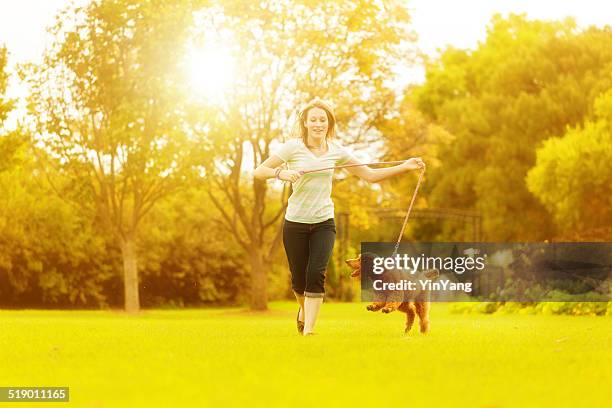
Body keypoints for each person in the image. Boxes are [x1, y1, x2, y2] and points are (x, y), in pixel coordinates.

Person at [253, 98, 425, 336]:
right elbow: (259, 171)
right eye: (313, 119)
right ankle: (303, 311)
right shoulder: (292, 147)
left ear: (329, 123)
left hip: (324, 222)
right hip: (295, 223)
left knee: (316, 274)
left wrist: (404, 167)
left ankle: (309, 331)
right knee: (298, 280)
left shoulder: (336, 151)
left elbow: (369, 175)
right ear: (304, 122)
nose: (318, 124)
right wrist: (281, 173)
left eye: (322, 120)